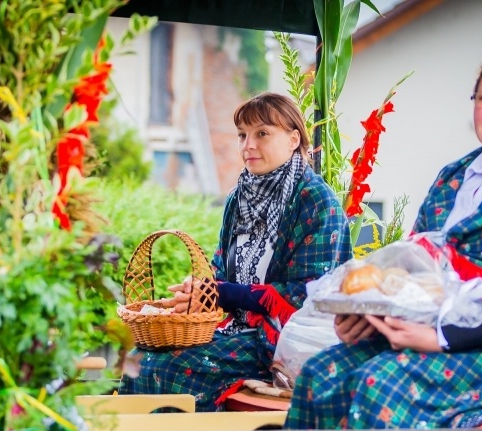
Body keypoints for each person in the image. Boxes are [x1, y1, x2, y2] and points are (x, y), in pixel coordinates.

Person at [286, 46, 482, 430]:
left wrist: (438, 337)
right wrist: (366, 316)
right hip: (428, 333)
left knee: (381, 386)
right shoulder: (453, 178)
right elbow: (416, 273)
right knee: (321, 374)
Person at [123, 92, 352, 411]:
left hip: (287, 340)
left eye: (262, 133)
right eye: (243, 135)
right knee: (140, 356)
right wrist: (198, 293)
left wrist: (223, 294)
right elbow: (220, 271)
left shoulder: (315, 201)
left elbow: (310, 293)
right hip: (240, 328)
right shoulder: (239, 198)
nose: (248, 145)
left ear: (292, 139)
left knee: (161, 367)